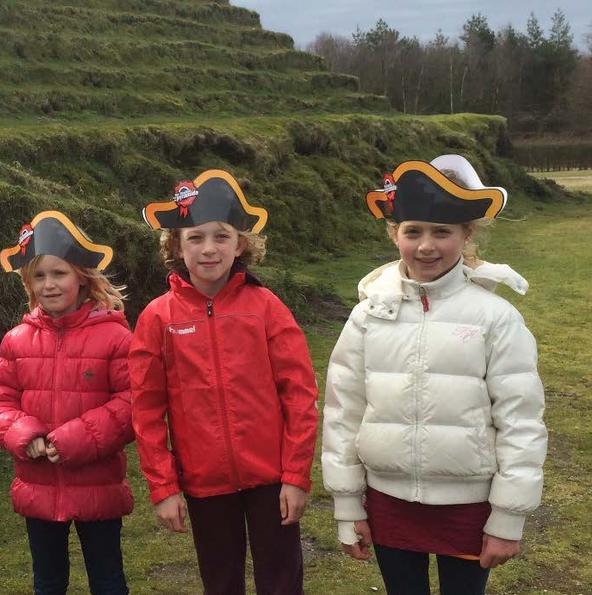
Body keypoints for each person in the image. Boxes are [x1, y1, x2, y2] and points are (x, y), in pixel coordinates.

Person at [322, 155, 547, 595]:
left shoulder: (496, 318)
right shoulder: (367, 316)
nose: (427, 246)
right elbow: (342, 412)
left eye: (442, 232)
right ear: (395, 234)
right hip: (388, 501)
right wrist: (348, 504)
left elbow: (521, 421)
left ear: (467, 234)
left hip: (468, 505)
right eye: (413, 231)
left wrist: (508, 517)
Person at [129, 170, 319, 595]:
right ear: (176, 245)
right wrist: (163, 486)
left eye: (222, 236)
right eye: (195, 238)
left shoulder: (266, 307)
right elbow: (145, 410)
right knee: (220, 583)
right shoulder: (157, 318)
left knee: (282, 582)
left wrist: (296, 475)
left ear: (241, 243)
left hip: (272, 477)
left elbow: (300, 395)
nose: (209, 248)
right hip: (203, 480)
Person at [0, 211, 133, 595]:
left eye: (59, 273)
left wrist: (75, 439)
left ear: (82, 276)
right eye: (39, 276)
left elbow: (132, 403)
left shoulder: (116, 338)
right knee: (47, 582)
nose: (49, 285)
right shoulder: (16, 339)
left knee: (108, 579)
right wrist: (23, 432)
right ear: (29, 283)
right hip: (38, 484)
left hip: (98, 483)